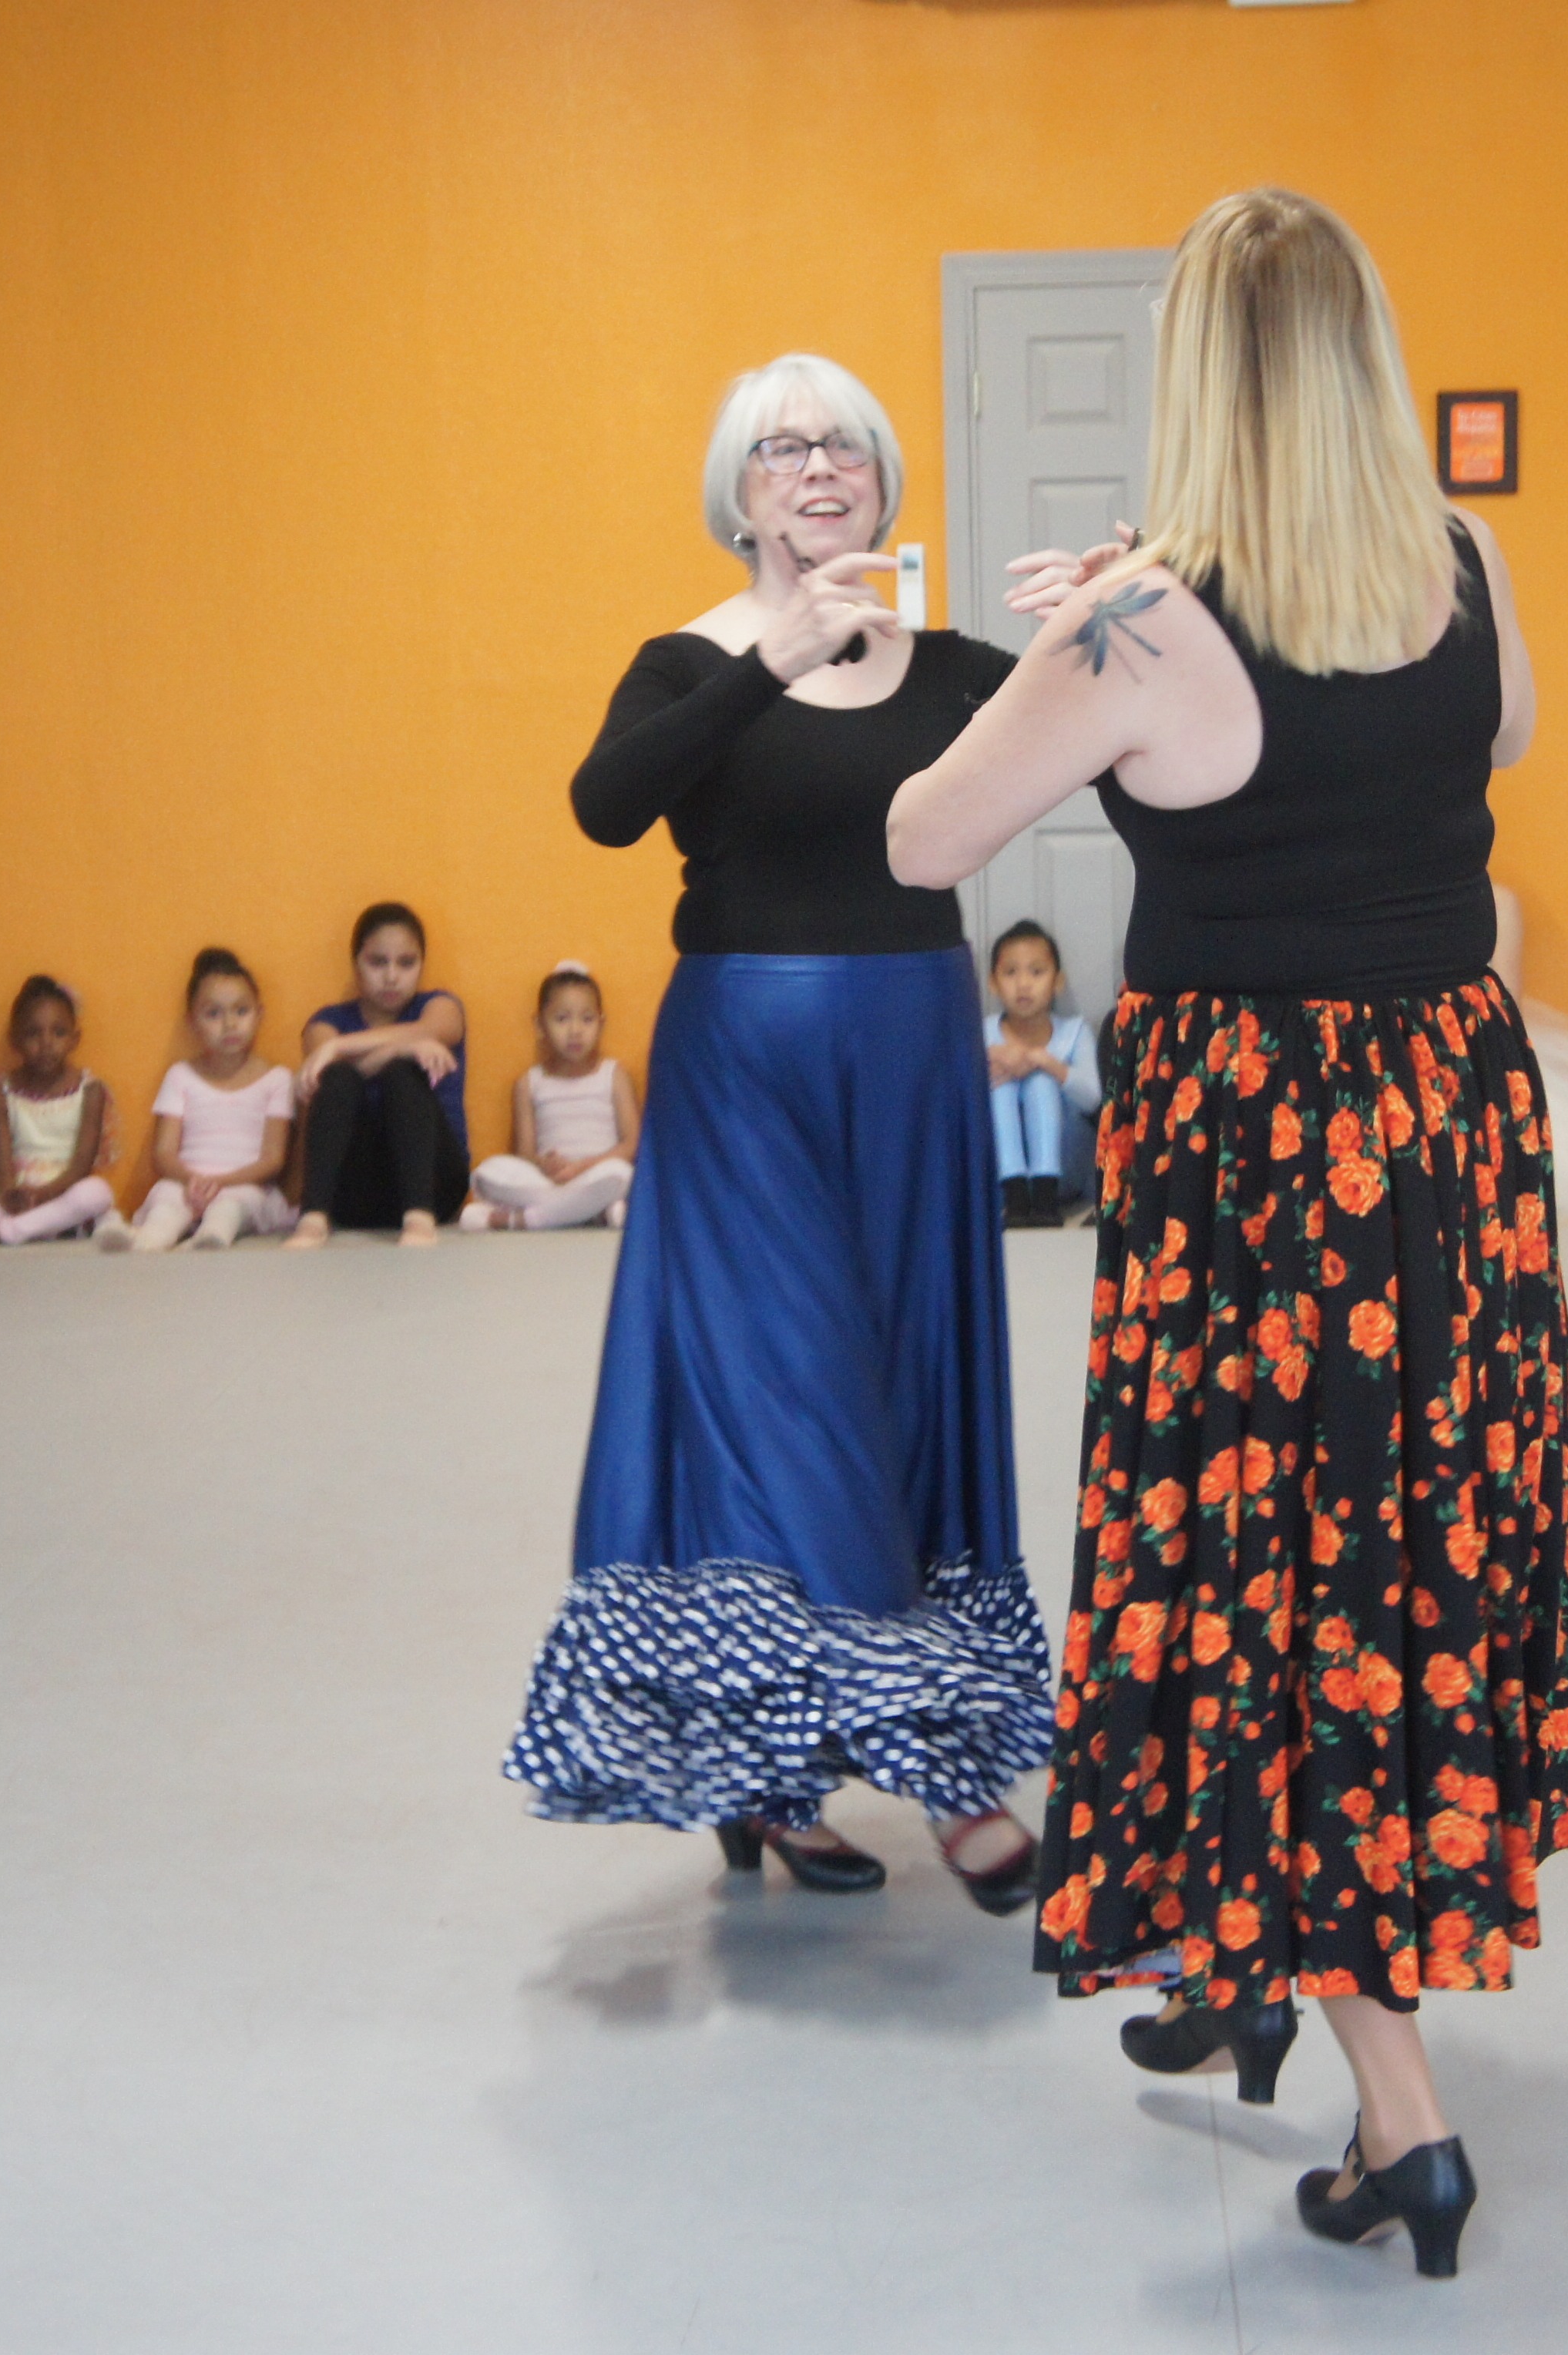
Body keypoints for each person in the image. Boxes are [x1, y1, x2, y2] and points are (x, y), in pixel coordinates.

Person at [887, 190, 1568, 2278]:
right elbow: (1508, 735)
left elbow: (932, 828)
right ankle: (1242, 1943)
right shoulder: (1465, 564)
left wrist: (1078, 632)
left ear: (1198, 375)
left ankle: (1407, 2122)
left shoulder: (1143, 624)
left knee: (1270, 1589)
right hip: (1449, 1137)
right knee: (1389, 1565)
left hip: (1264, 1172)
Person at [503, 353, 1057, 1906]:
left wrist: (1104, 608)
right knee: (792, 1395)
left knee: (901, 1392)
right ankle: (950, 1778)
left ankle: (773, 1772)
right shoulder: (686, 662)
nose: (821, 469)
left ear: (883, 484)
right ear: (735, 495)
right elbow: (605, 806)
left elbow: (1115, 730)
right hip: (746, 1071)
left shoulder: (951, 666)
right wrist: (774, 657)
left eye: (849, 449)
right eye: (782, 450)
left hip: (915, 1065)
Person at [287, 903, 468, 1249]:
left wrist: (351, 1049)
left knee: (404, 1074)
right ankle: (313, 1219)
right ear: (356, 964)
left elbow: (436, 1029)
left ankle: (419, 1219)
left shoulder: (439, 1006)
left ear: (421, 965)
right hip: (352, 1193)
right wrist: (402, 1046)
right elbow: (325, 1072)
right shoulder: (326, 1024)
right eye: (377, 962)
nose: (391, 976)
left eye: (406, 963)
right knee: (339, 1078)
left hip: (435, 1185)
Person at [102, 948, 294, 1251]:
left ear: (260, 1014)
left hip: (246, 1186)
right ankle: (147, 1241)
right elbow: (163, 1153)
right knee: (166, 1197)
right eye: (213, 1014)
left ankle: (211, 1238)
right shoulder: (181, 1076)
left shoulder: (277, 1079)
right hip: (187, 1181)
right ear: (192, 1022)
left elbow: (273, 1159)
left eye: (241, 1011)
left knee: (233, 1205)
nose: (230, 1024)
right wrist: (193, 1180)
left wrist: (221, 1183)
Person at [0, 976, 120, 1245]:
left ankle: (3, 1232)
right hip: (17, 1192)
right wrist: (12, 1194)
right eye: (33, 1033)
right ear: (15, 1040)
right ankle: (51, 1226)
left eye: (58, 1033)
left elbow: (82, 1166)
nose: (46, 1043)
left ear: (75, 1039)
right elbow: (1, 1160)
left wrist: (44, 1195)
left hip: (64, 1189)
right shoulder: (1, 1090)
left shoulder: (90, 1089)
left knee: (97, 1192)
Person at [460, 963, 640, 1231]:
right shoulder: (529, 1083)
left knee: (621, 1176)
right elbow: (524, 1153)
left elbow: (632, 1144)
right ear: (540, 1025)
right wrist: (545, 1164)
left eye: (587, 1019)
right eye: (562, 1019)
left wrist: (582, 1167)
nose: (575, 1030)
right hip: (548, 1181)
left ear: (601, 1024)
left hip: (597, 1174)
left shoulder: (613, 1075)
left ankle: (520, 1220)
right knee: (487, 1174)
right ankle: (591, 1214)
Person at [985, 920, 1102, 1228]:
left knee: (1040, 1082)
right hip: (998, 1184)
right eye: (1011, 973)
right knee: (1002, 1089)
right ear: (993, 983)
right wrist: (989, 1058)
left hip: (1067, 1170)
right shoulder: (982, 1035)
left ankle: (1045, 1194)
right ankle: (1016, 1195)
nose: (1023, 984)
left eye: (1036, 972)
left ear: (1057, 981)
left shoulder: (1074, 1033)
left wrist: (1044, 1062)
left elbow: (1094, 1098)